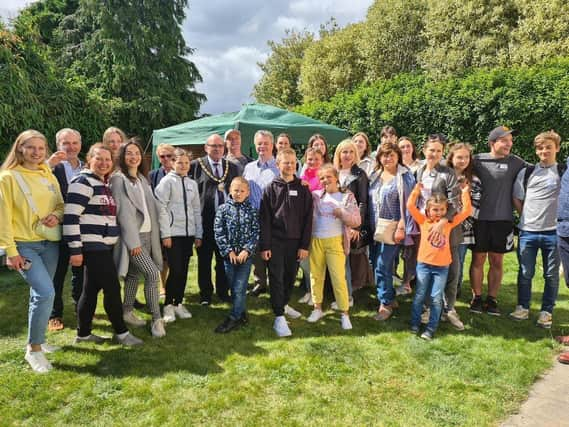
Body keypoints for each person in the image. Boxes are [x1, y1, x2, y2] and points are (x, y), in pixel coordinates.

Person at [65, 143, 143, 346]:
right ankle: (121, 332)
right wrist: (75, 250)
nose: (104, 163)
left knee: (90, 291)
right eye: (98, 158)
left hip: (104, 245)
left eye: (108, 159)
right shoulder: (83, 182)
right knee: (112, 288)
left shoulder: (102, 183)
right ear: (89, 159)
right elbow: (71, 217)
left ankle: (83, 335)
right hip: (92, 246)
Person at [0, 130, 64, 372]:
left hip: (49, 243)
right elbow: (2, 218)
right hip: (23, 245)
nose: (37, 152)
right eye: (31, 148)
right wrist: (11, 251)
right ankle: (33, 350)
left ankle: (40, 340)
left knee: (41, 294)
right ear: (19, 149)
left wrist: (55, 217)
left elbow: (60, 204)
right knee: (46, 292)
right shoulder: (8, 177)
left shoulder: (47, 173)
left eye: (40, 148)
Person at [110, 141, 171, 338]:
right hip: (133, 239)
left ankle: (126, 311)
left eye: (137, 153)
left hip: (148, 235)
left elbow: (151, 208)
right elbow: (123, 213)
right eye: (129, 153)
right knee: (153, 274)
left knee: (134, 276)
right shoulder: (119, 179)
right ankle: (156, 319)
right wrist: (133, 242)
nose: (134, 156)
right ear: (122, 156)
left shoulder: (142, 179)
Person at [470, 126, 526, 315]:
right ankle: (476, 298)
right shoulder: (477, 160)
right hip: (479, 220)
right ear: (493, 143)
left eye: (510, 141)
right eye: (505, 140)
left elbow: (539, 171)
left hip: (503, 220)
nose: (509, 144)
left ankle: (492, 299)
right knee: (478, 259)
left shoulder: (516, 162)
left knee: (497, 261)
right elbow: (456, 164)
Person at [510, 131, 563, 328]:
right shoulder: (527, 172)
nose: (544, 151)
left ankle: (546, 312)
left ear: (556, 148)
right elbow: (517, 197)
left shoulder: (563, 172)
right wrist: (525, 215)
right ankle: (522, 308)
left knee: (551, 275)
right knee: (525, 272)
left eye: (548, 147)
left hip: (554, 232)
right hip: (528, 231)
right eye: (540, 148)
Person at [407, 183, 472, 340]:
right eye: (435, 209)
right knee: (420, 295)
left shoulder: (448, 224)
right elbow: (410, 205)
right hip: (423, 265)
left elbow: (467, 211)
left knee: (436, 298)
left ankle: (431, 328)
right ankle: (415, 324)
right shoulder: (423, 221)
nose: (438, 213)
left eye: (442, 210)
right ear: (428, 210)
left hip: (442, 267)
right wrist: (416, 191)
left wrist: (464, 193)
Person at [259, 148, 313, 337]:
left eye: (292, 162)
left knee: (290, 276)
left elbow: (308, 220)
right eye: (285, 162)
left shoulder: (304, 189)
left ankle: (284, 303)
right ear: (277, 164)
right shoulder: (270, 188)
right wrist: (265, 245)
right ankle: (279, 316)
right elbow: (264, 219)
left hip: (296, 242)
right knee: (276, 276)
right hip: (275, 242)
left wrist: (304, 245)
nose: (289, 165)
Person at [415, 134, 462, 327]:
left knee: (451, 270)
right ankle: (427, 308)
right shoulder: (419, 171)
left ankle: (449, 309)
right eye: (431, 150)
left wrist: (443, 221)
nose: (434, 154)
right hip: (426, 229)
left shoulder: (447, 173)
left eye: (438, 151)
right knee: (426, 268)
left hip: (446, 229)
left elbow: (455, 201)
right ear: (424, 150)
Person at [307, 164, 360, 330]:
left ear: (336, 177)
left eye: (328, 177)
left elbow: (356, 220)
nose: (325, 180)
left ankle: (344, 313)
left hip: (336, 241)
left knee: (338, 278)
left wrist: (342, 213)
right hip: (316, 240)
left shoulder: (347, 196)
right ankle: (317, 308)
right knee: (316, 276)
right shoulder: (315, 195)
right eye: (321, 178)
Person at [190, 134, 240, 305]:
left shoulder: (232, 167)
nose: (217, 148)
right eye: (213, 145)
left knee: (223, 259)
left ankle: (223, 291)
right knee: (204, 260)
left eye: (220, 145)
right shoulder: (195, 166)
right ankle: (205, 294)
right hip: (205, 222)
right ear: (206, 147)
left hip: (226, 223)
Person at [369, 141, 416, 321]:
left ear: (398, 156)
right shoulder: (375, 175)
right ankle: (389, 295)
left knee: (382, 265)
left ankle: (385, 304)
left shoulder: (404, 177)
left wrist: (403, 227)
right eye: (384, 155)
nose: (387, 158)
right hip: (376, 228)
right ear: (379, 157)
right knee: (378, 264)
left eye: (391, 155)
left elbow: (409, 205)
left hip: (394, 227)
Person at [155, 148, 203, 321]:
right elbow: (160, 208)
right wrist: (165, 234)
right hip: (172, 234)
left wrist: (198, 233)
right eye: (179, 162)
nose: (183, 166)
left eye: (186, 163)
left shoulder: (192, 184)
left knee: (183, 271)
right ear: (172, 163)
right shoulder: (167, 182)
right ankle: (168, 305)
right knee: (175, 270)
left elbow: (196, 209)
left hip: (188, 234)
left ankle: (178, 303)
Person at [49, 128, 85, 331]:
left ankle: (81, 309)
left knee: (80, 273)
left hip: (82, 228)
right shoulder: (51, 167)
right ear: (58, 145)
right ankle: (55, 314)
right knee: (58, 273)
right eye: (66, 143)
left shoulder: (87, 166)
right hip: (59, 228)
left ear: (80, 144)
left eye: (74, 143)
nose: (71, 147)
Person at [213, 177, 259, 333]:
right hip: (229, 257)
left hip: (245, 257)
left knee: (240, 287)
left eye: (242, 191)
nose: (238, 193)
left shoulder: (252, 210)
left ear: (248, 193)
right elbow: (219, 232)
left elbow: (255, 232)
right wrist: (229, 251)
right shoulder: (223, 209)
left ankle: (234, 318)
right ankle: (242, 312)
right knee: (233, 287)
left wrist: (247, 250)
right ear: (230, 191)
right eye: (235, 190)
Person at [243, 130, 280, 297]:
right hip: (253, 218)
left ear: (272, 145)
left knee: (273, 252)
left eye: (266, 143)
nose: (262, 146)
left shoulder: (279, 167)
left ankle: (275, 285)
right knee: (257, 253)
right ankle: (259, 283)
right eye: (259, 143)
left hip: (274, 219)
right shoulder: (249, 168)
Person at [333, 139, 370, 301]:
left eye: (350, 152)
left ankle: (347, 296)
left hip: (349, 224)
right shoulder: (334, 172)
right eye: (344, 152)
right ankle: (336, 292)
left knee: (344, 262)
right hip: (333, 223)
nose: (347, 155)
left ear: (355, 155)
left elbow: (363, 202)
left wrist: (356, 226)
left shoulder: (360, 175)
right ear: (338, 154)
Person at [446, 143, 482, 303]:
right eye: (459, 157)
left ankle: (455, 292)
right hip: (442, 227)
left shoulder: (474, 180)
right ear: (451, 158)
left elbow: (476, 207)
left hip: (463, 230)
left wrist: (460, 225)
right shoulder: (443, 176)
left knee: (457, 261)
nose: (463, 160)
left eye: (466, 157)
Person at [298, 147, 324, 304]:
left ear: (321, 161)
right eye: (309, 159)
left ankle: (316, 292)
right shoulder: (302, 175)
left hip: (318, 222)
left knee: (316, 261)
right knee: (305, 260)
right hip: (303, 222)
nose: (312, 162)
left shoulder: (322, 176)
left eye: (316, 159)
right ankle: (308, 290)